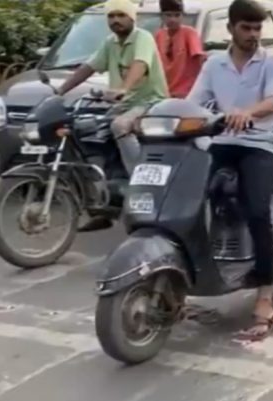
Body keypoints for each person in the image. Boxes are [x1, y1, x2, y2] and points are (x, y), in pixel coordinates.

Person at [187, 0, 273, 340]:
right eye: (245, 28)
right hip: (222, 141)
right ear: (230, 28)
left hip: (261, 141)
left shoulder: (272, 63)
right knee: (187, 196)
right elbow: (194, 102)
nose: (252, 35)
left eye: (257, 28)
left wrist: (248, 113)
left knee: (257, 210)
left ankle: (264, 293)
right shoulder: (215, 64)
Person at [57, 0, 168, 231]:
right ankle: (102, 207)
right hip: (121, 105)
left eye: (120, 15)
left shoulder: (142, 38)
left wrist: (124, 88)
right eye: (111, 16)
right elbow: (88, 68)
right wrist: (59, 91)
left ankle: (143, 184)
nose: (115, 20)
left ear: (132, 18)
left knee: (120, 126)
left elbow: (140, 65)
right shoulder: (110, 43)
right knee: (81, 132)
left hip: (150, 102)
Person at [154, 0, 206, 98]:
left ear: (182, 16)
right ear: (162, 16)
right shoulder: (159, 35)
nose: (173, 19)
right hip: (164, 92)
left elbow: (200, 59)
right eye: (168, 15)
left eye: (177, 15)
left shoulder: (189, 33)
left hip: (186, 92)